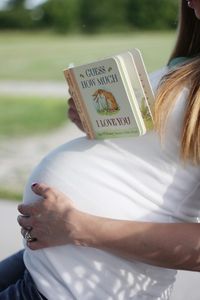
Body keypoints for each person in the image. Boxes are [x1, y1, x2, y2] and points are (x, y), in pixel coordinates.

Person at [1, 0, 200, 299]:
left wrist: (79, 227)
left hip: (84, 283)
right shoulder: (189, 61)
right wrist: (98, 122)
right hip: (51, 264)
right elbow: (161, 154)